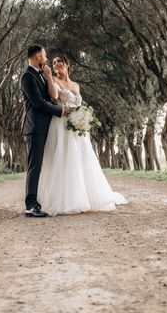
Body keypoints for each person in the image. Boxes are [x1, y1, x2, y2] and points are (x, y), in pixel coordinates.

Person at [36, 54, 128, 215]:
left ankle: (85, 196)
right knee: (63, 158)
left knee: (81, 160)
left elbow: (78, 104)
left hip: (78, 127)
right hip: (61, 123)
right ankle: (65, 199)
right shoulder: (54, 81)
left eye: (60, 62)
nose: (56, 64)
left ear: (67, 65)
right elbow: (54, 96)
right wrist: (49, 77)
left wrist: (83, 118)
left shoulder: (75, 85)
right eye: (54, 62)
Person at [20, 45, 70, 218]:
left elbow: (51, 97)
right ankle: (30, 207)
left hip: (45, 127)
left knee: (42, 165)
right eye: (45, 56)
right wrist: (60, 111)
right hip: (35, 128)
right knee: (35, 166)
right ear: (38, 57)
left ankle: (38, 202)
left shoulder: (40, 75)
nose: (47, 59)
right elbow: (38, 103)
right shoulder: (27, 77)